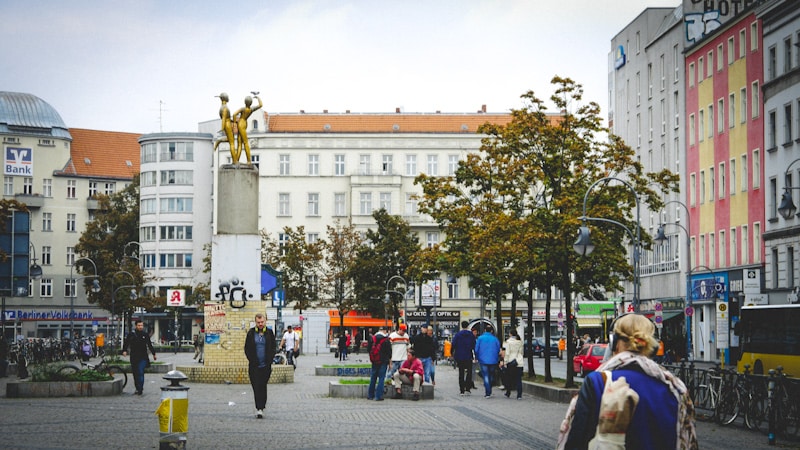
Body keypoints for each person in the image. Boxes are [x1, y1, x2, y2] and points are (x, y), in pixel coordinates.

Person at [557, 314, 698, 450]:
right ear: (652, 347)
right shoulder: (675, 389)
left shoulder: (598, 382)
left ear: (614, 343)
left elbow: (576, 442)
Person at [244, 313, 276, 419]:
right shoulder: (251, 333)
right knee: (256, 386)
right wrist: (252, 360)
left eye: (262, 322)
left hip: (265, 366)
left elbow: (273, 347)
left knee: (263, 386)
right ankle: (259, 407)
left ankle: (262, 406)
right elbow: (247, 349)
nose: (260, 324)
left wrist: (270, 360)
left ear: (265, 321)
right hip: (254, 366)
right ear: (255, 322)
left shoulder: (269, 333)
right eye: (258, 322)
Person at [122, 320, 157, 395]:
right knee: (135, 373)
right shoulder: (131, 334)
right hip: (134, 357)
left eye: (141, 325)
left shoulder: (145, 335)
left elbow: (149, 344)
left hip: (143, 357)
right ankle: (137, 387)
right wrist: (124, 350)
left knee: (140, 372)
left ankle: (140, 388)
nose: (140, 327)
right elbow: (126, 343)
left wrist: (154, 354)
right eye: (139, 325)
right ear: (136, 326)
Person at [232, 94, 262, 164]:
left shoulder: (243, 109)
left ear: (245, 102)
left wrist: (234, 122)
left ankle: (246, 160)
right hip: (244, 123)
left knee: (243, 143)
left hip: (241, 123)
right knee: (242, 143)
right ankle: (239, 160)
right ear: (251, 103)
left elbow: (234, 114)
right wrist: (258, 98)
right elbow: (260, 105)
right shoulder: (251, 109)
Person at [475, 325, 501, 398]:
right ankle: (490, 389)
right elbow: (498, 349)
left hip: (483, 360)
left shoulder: (480, 338)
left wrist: (477, 357)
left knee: (485, 375)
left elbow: (476, 349)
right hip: (493, 360)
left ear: (485, 330)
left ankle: (488, 392)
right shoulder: (495, 339)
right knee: (491, 375)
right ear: (492, 331)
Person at [366, 326, 392, 401]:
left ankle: (370, 395)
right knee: (381, 378)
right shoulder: (386, 340)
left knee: (373, 378)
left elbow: (368, 349)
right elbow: (389, 352)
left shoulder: (372, 338)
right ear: (385, 331)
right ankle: (378, 396)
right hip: (383, 361)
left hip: (374, 361)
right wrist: (389, 362)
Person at [451, 320, 476, 395]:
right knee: (469, 372)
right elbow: (474, 345)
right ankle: (468, 388)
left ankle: (462, 389)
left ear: (461, 326)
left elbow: (453, 344)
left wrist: (452, 353)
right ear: (468, 326)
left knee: (461, 372)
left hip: (459, 355)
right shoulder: (471, 335)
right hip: (468, 355)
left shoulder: (458, 335)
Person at [213, 92, 236, 162]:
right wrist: (222, 128)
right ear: (225, 98)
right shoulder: (225, 108)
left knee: (230, 140)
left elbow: (225, 117)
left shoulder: (222, 107)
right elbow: (223, 118)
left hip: (227, 123)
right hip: (227, 124)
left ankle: (219, 141)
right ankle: (235, 160)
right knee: (232, 143)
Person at [501, 329, 524, 399]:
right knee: (518, 379)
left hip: (510, 362)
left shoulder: (507, 342)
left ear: (510, 334)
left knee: (509, 378)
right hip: (519, 361)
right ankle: (519, 395)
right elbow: (521, 352)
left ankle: (508, 392)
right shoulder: (520, 342)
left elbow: (507, 353)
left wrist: (504, 362)